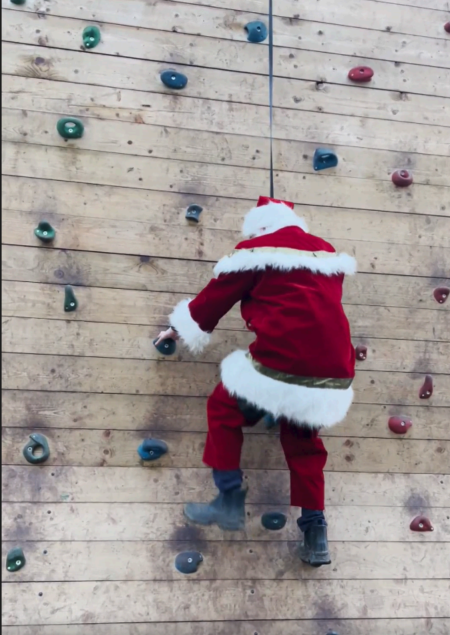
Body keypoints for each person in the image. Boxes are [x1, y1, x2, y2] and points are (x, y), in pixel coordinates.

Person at [155, 196, 356, 567]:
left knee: (223, 407)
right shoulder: (325, 254)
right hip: (333, 370)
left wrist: (178, 328)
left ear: (261, 226)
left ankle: (228, 501)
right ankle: (316, 533)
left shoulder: (255, 252)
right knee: (303, 441)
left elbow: (212, 301)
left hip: (284, 359)